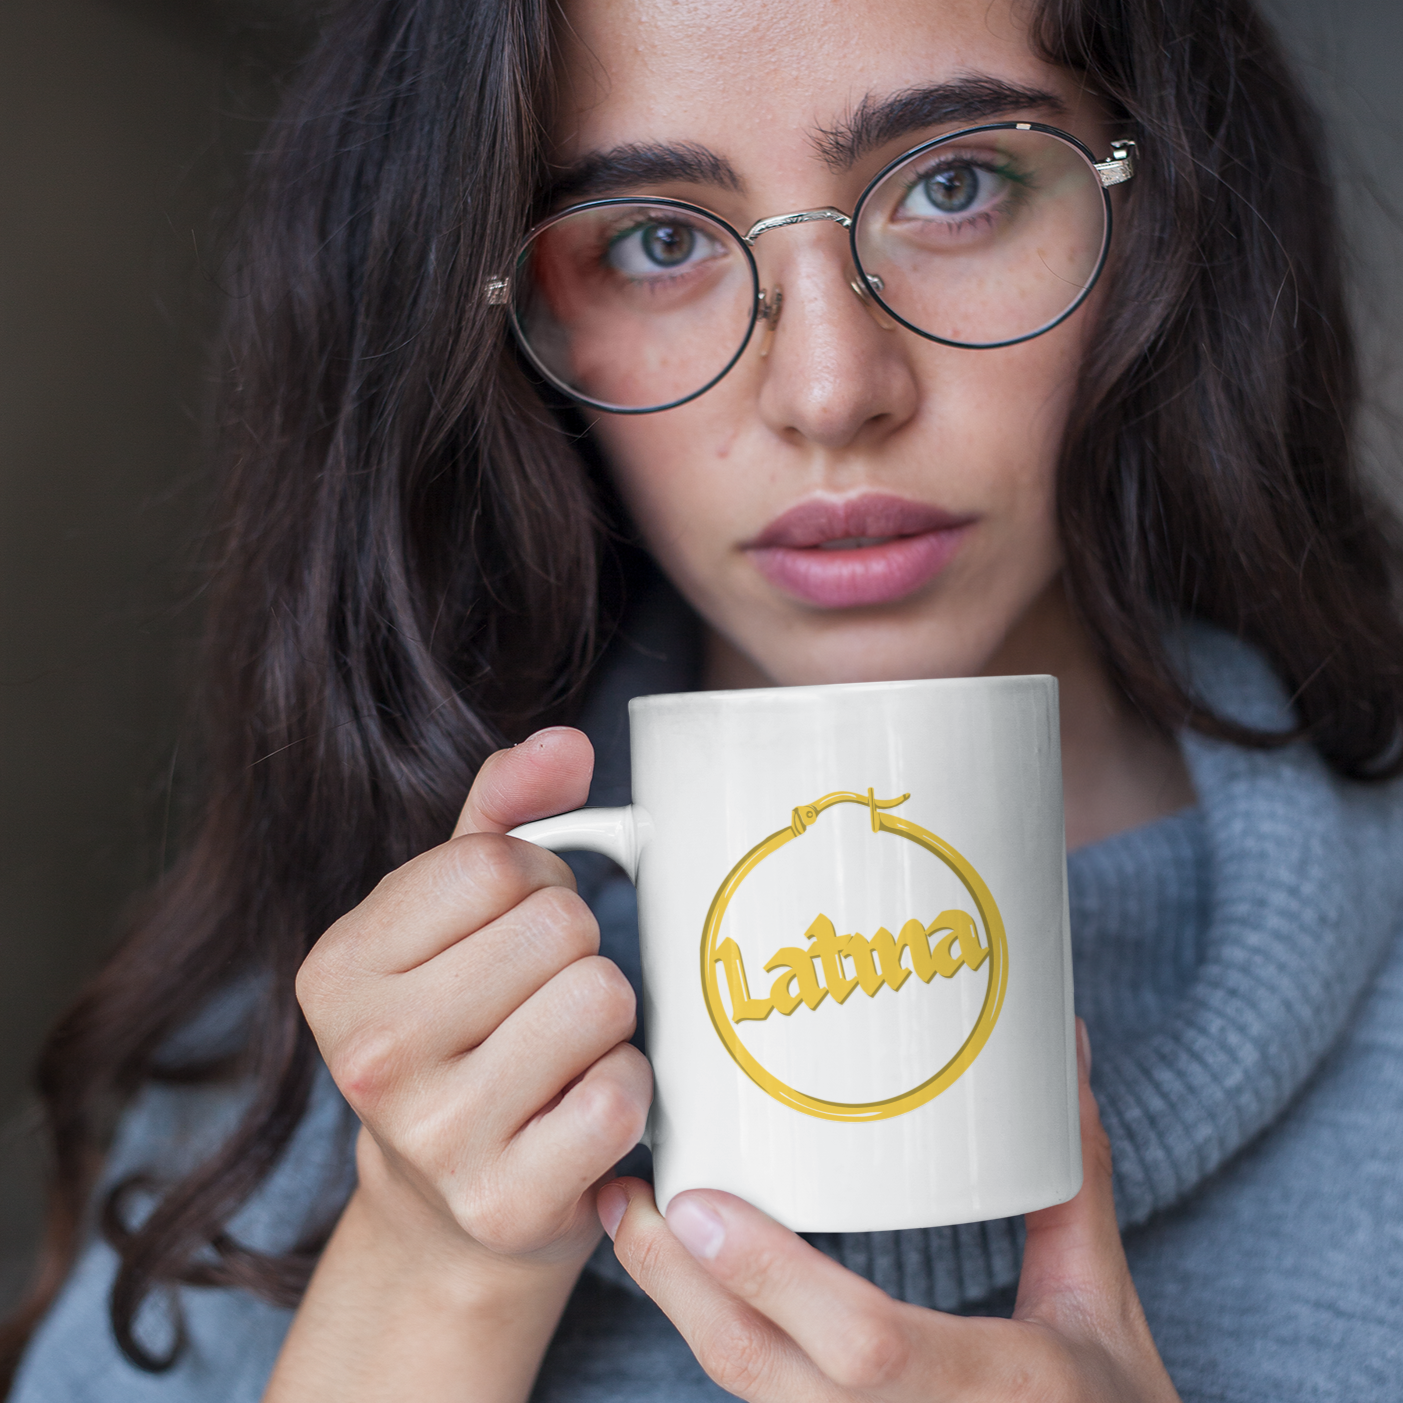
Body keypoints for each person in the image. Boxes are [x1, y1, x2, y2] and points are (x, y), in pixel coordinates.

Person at [4, 0, 1403, 1397]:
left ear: (1161, 204)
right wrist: (431, 1275)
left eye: (954, 183)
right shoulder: (320, 1045)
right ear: (511, 317)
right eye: (654, 241)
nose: (826, 389)